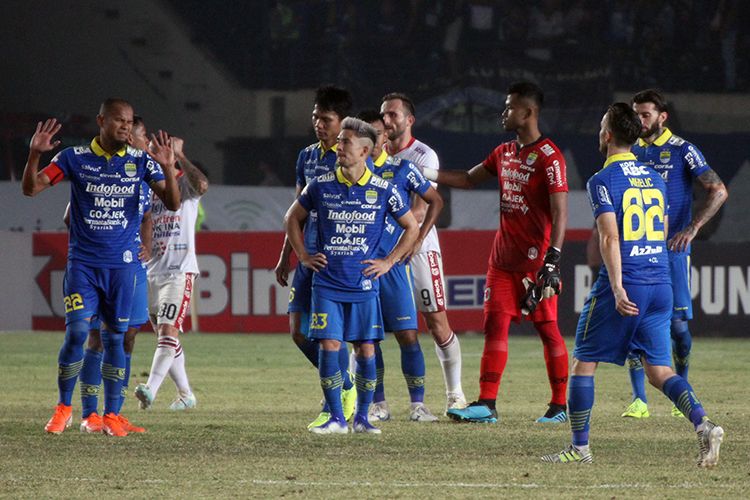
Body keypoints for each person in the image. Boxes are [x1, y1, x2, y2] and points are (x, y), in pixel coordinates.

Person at [541, 103, 724, 466]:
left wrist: (618, 286)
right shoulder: (653, 177)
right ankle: (703, 424)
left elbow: (610, 239)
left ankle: (580, 449)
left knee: (584, 362)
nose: (598, 130)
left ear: (608, 135)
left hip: (628, 282)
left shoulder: (602, 180)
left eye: (600, 125)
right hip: (660, 281)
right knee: (660, 370)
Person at [23, 98, 180, 436]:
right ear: (101, 121)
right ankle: (65, 407)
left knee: (117, 340)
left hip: (122, 270)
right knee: (79, 332)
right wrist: (35, 153)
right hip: (84, 266)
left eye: (129, 122)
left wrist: (167, 166)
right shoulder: (74, 158)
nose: (125, 127)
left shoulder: (140, 162)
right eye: (119, 121)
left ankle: (111, 415)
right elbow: (32, 188)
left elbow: (172, 202)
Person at [422, 82, 570, 423]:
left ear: (528, 112)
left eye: (509, 107)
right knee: (495, 327)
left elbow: (561, 211)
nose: (503, 113)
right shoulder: (503, 152)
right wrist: (423, 173)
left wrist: (554, 257)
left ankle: (559, 406)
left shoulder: (550, 157)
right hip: (501, 261)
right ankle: (487, 405)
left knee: (547, 329)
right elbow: (468, 178)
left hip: (535, 262)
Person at [284, 117, 419, 434]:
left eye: (345, 142)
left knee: (366, 350)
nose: (339, 146)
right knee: (330, 346)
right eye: (339, 141)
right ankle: (335, 418)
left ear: (365, 151)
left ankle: (362, 418)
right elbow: (292, 217)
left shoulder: (384, 190)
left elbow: (412, 227)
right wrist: (302, 255)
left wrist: (389, 261)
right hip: (327, 284)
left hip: (364, 285)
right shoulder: (320, 186)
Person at [621, 89, 728, 419]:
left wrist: (693, 227)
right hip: (638, 251)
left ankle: (682, 386)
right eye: (636, 114)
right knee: (633, 321)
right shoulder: (630, 152)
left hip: (673, 252)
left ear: (662, 117)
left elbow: (718, 189)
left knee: (679, 328)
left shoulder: (682, 150)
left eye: (645, 114)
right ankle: (639, 400)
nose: (639, 120)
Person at [274, 86, 359, 428]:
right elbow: (297, 213)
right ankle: (346, 384)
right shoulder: (307, 156)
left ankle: (337, 399)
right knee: (298, 332)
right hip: (309, 256)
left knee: (328, 335)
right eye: (315, 118)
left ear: (342, 123)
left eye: (326, 119)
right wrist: (289, 256)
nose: (318, 124)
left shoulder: (353, 158)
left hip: (336, 259)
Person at [380, 92, 467, 414]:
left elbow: (419, 212)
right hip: (383, 251)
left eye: (393, 115)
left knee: (436, 321)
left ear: (409, 120)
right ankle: (364, 399)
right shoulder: (375, 156)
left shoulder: (422, 155)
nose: (387, 121)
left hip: (419, 249)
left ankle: (455, 393)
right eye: (384, 115)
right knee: (367, 324)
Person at [357, 109, 444, 422]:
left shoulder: (403, 169)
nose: (376, 139)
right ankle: (378, 405)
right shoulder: (351, 173)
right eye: (368, 134)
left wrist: (418, 239)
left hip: (393, 268)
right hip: (362, 269)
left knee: (408, 335)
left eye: (379, 133)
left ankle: (418, 405)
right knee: (366, 340)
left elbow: (436, 200)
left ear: (385, 137)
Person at [134, 124, 209, 411]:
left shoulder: (183, 184)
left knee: (167, 333)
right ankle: (186, 393)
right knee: (167, 337)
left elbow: (202, 185)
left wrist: (181, 156)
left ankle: (149, 389)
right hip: (151, 271)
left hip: (179, 271)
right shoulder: (148, 187)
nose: (155, 155)